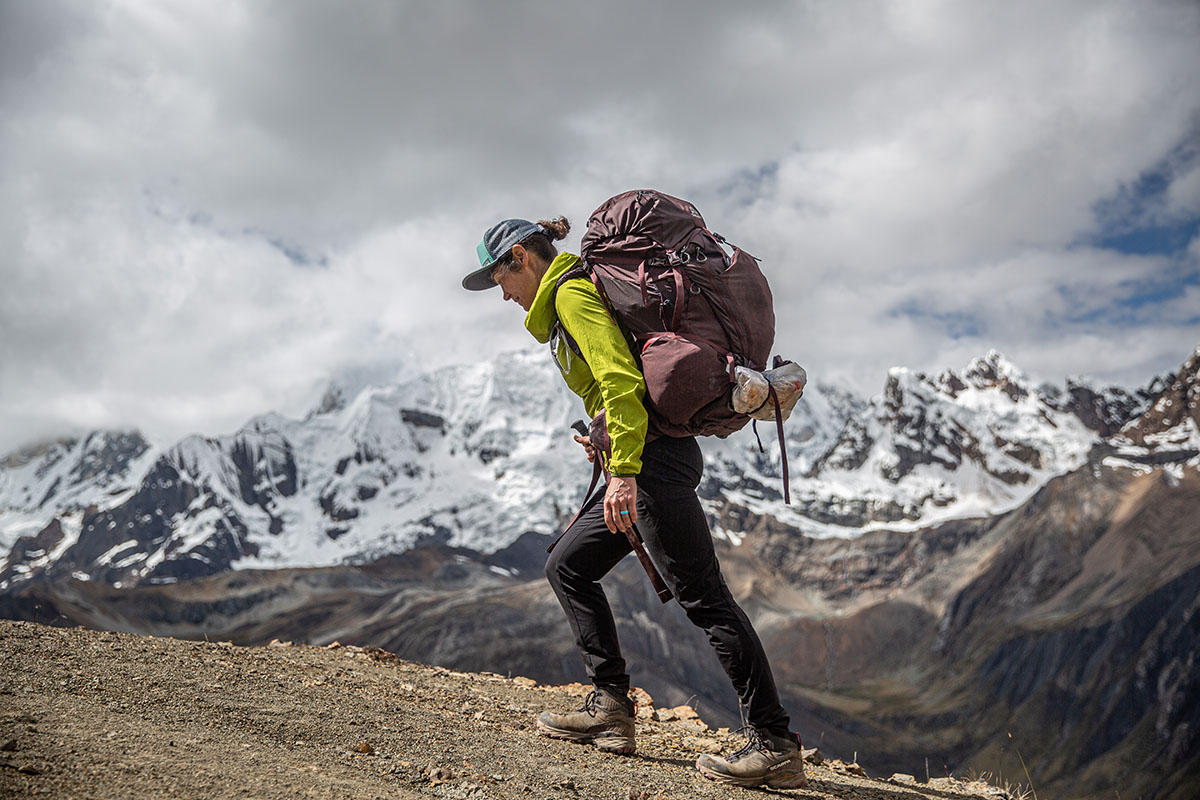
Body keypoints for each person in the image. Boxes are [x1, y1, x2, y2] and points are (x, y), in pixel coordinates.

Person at [462, 216, 808, 789]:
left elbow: (621, 381)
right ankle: (611, 708)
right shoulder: (567, 297)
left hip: (651, 467)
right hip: (643, 458)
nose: (502, 295)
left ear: (521, 257)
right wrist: (604, 437)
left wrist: (622, 471)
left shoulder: (570, 294)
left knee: (706, 601)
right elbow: (613, 391)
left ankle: (774, 744)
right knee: (568, 566)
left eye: (500, 279)